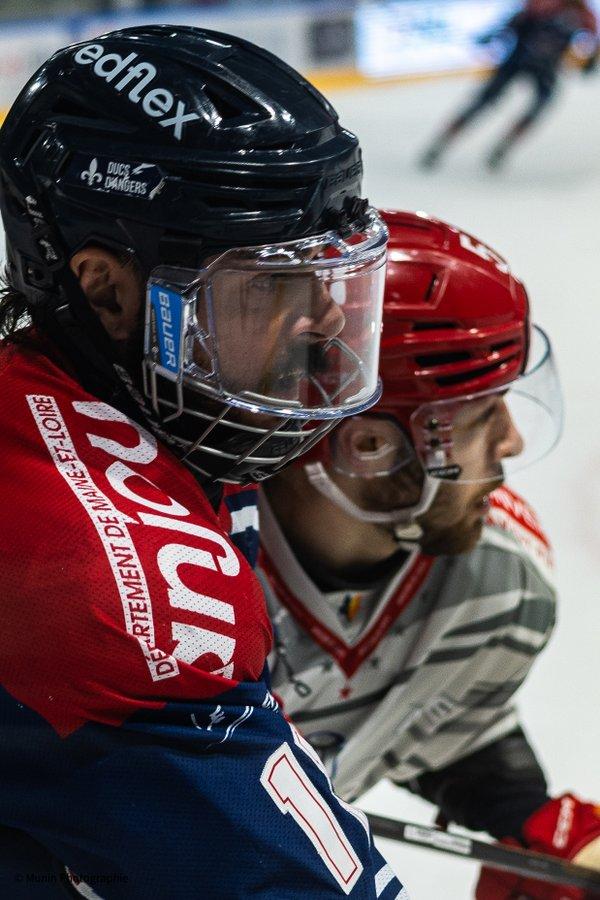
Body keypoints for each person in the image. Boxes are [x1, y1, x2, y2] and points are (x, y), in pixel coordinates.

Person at [0, 26, 408, 900]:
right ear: (107, 289)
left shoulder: (152, 406)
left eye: (329, 276)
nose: (330, 320)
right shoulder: (116, 590)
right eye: (268, 283)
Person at [259, 209, 600, 899]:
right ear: (368, 445)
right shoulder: (177, 575)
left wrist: (526, 817)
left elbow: (415, 707)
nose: (512, 442)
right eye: (482, 414)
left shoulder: (500, 581)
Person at [420, 0, 599, 169]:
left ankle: (456, 144)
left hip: (528, 62)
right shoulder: (574, 10)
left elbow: (517, 20)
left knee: (489, 102)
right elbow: (519, 20)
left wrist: (495, 35)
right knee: (495, 102)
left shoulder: (575, 11)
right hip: (529, 62)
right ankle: (465, 145)